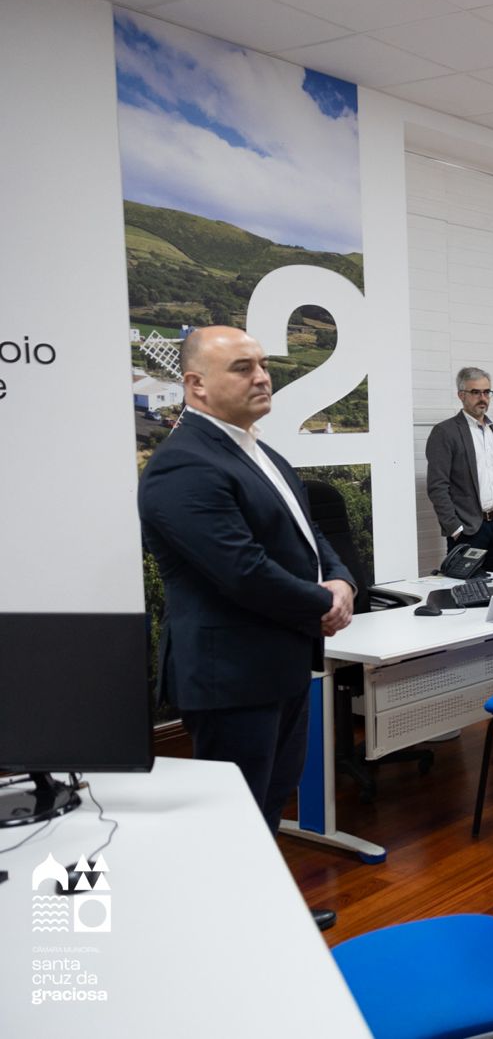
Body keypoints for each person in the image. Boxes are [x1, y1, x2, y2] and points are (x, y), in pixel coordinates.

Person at [138, 326, 356, 933]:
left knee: (267, 803)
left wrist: (341, 581)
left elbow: (312, 537)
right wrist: (322, 602)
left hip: (281, 663)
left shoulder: (262, 453)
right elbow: (242, 571)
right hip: (231, 677)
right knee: (231, 816)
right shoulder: (182, 465)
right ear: (195, 385)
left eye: (262, 364)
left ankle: (262, 917)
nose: (262, 377)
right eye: (242, 367)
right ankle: (222, 936)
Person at [425, 366, 493, 571]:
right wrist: (454, 528)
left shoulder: (492, 430)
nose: (482, 398)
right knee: (464, 588)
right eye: (476, 392)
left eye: (486, 392)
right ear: (461, 395)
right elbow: (437, 486)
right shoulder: (445, 432)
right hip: (469, 530)